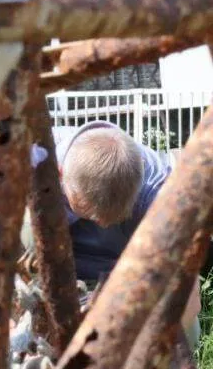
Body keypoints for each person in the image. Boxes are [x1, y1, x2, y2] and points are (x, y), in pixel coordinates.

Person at [28, 120, 200, 346]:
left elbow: (189, 297)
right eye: (90, 212)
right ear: (60, 175)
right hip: (55, 269)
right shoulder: (35, 160)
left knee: (187, 335)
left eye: (115, 217)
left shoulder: (162, 196)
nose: (102, 224)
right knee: (24, 219)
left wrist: (136, 350)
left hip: (125, 274)